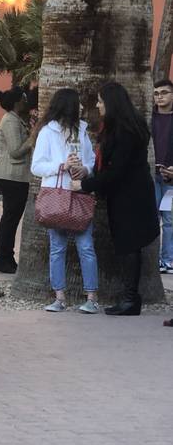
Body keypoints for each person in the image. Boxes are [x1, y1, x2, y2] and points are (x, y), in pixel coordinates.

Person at [73, 82, 159, 316]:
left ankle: (131, 298)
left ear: (111, 103)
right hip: (126, 194)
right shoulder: (122, 126)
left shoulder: (125, 131)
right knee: (128, 245)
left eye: (101, 101)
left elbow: (116, 169)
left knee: (130, 245)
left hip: (131, 197)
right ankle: (130, 297)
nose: (98, 105)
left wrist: (85, 185)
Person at [30, 88, 99, 313]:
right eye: (77, 104)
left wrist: (84, 169)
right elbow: (36, 166)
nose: (80, 107)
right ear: (68, 106)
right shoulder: (47, 132)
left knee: (86, 247)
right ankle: (59, 297)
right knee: (57, 248)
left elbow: (91, 162)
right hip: (56, 195)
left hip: (79, 192)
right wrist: (62, 166)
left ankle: (92, 298)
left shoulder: (82, 131)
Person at [0, 86, 37, 273]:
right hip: (12, 176)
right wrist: (33, 137)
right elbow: (16, 151)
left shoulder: (17, 120)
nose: (26, 101)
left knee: (11, 218)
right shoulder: (10, 121)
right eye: (24, 98)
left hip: (17, 176)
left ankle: (5, 256)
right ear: (17, 102)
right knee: (10, 218)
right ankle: (2, 258)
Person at [151, 79, 173, 272]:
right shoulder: (149, 117)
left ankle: (168, 260)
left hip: (171, 178)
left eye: (164, 92)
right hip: (152, 174)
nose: (160, 96)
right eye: (156, 93)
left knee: (170, 220)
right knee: (152, 217)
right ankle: (153, 260)